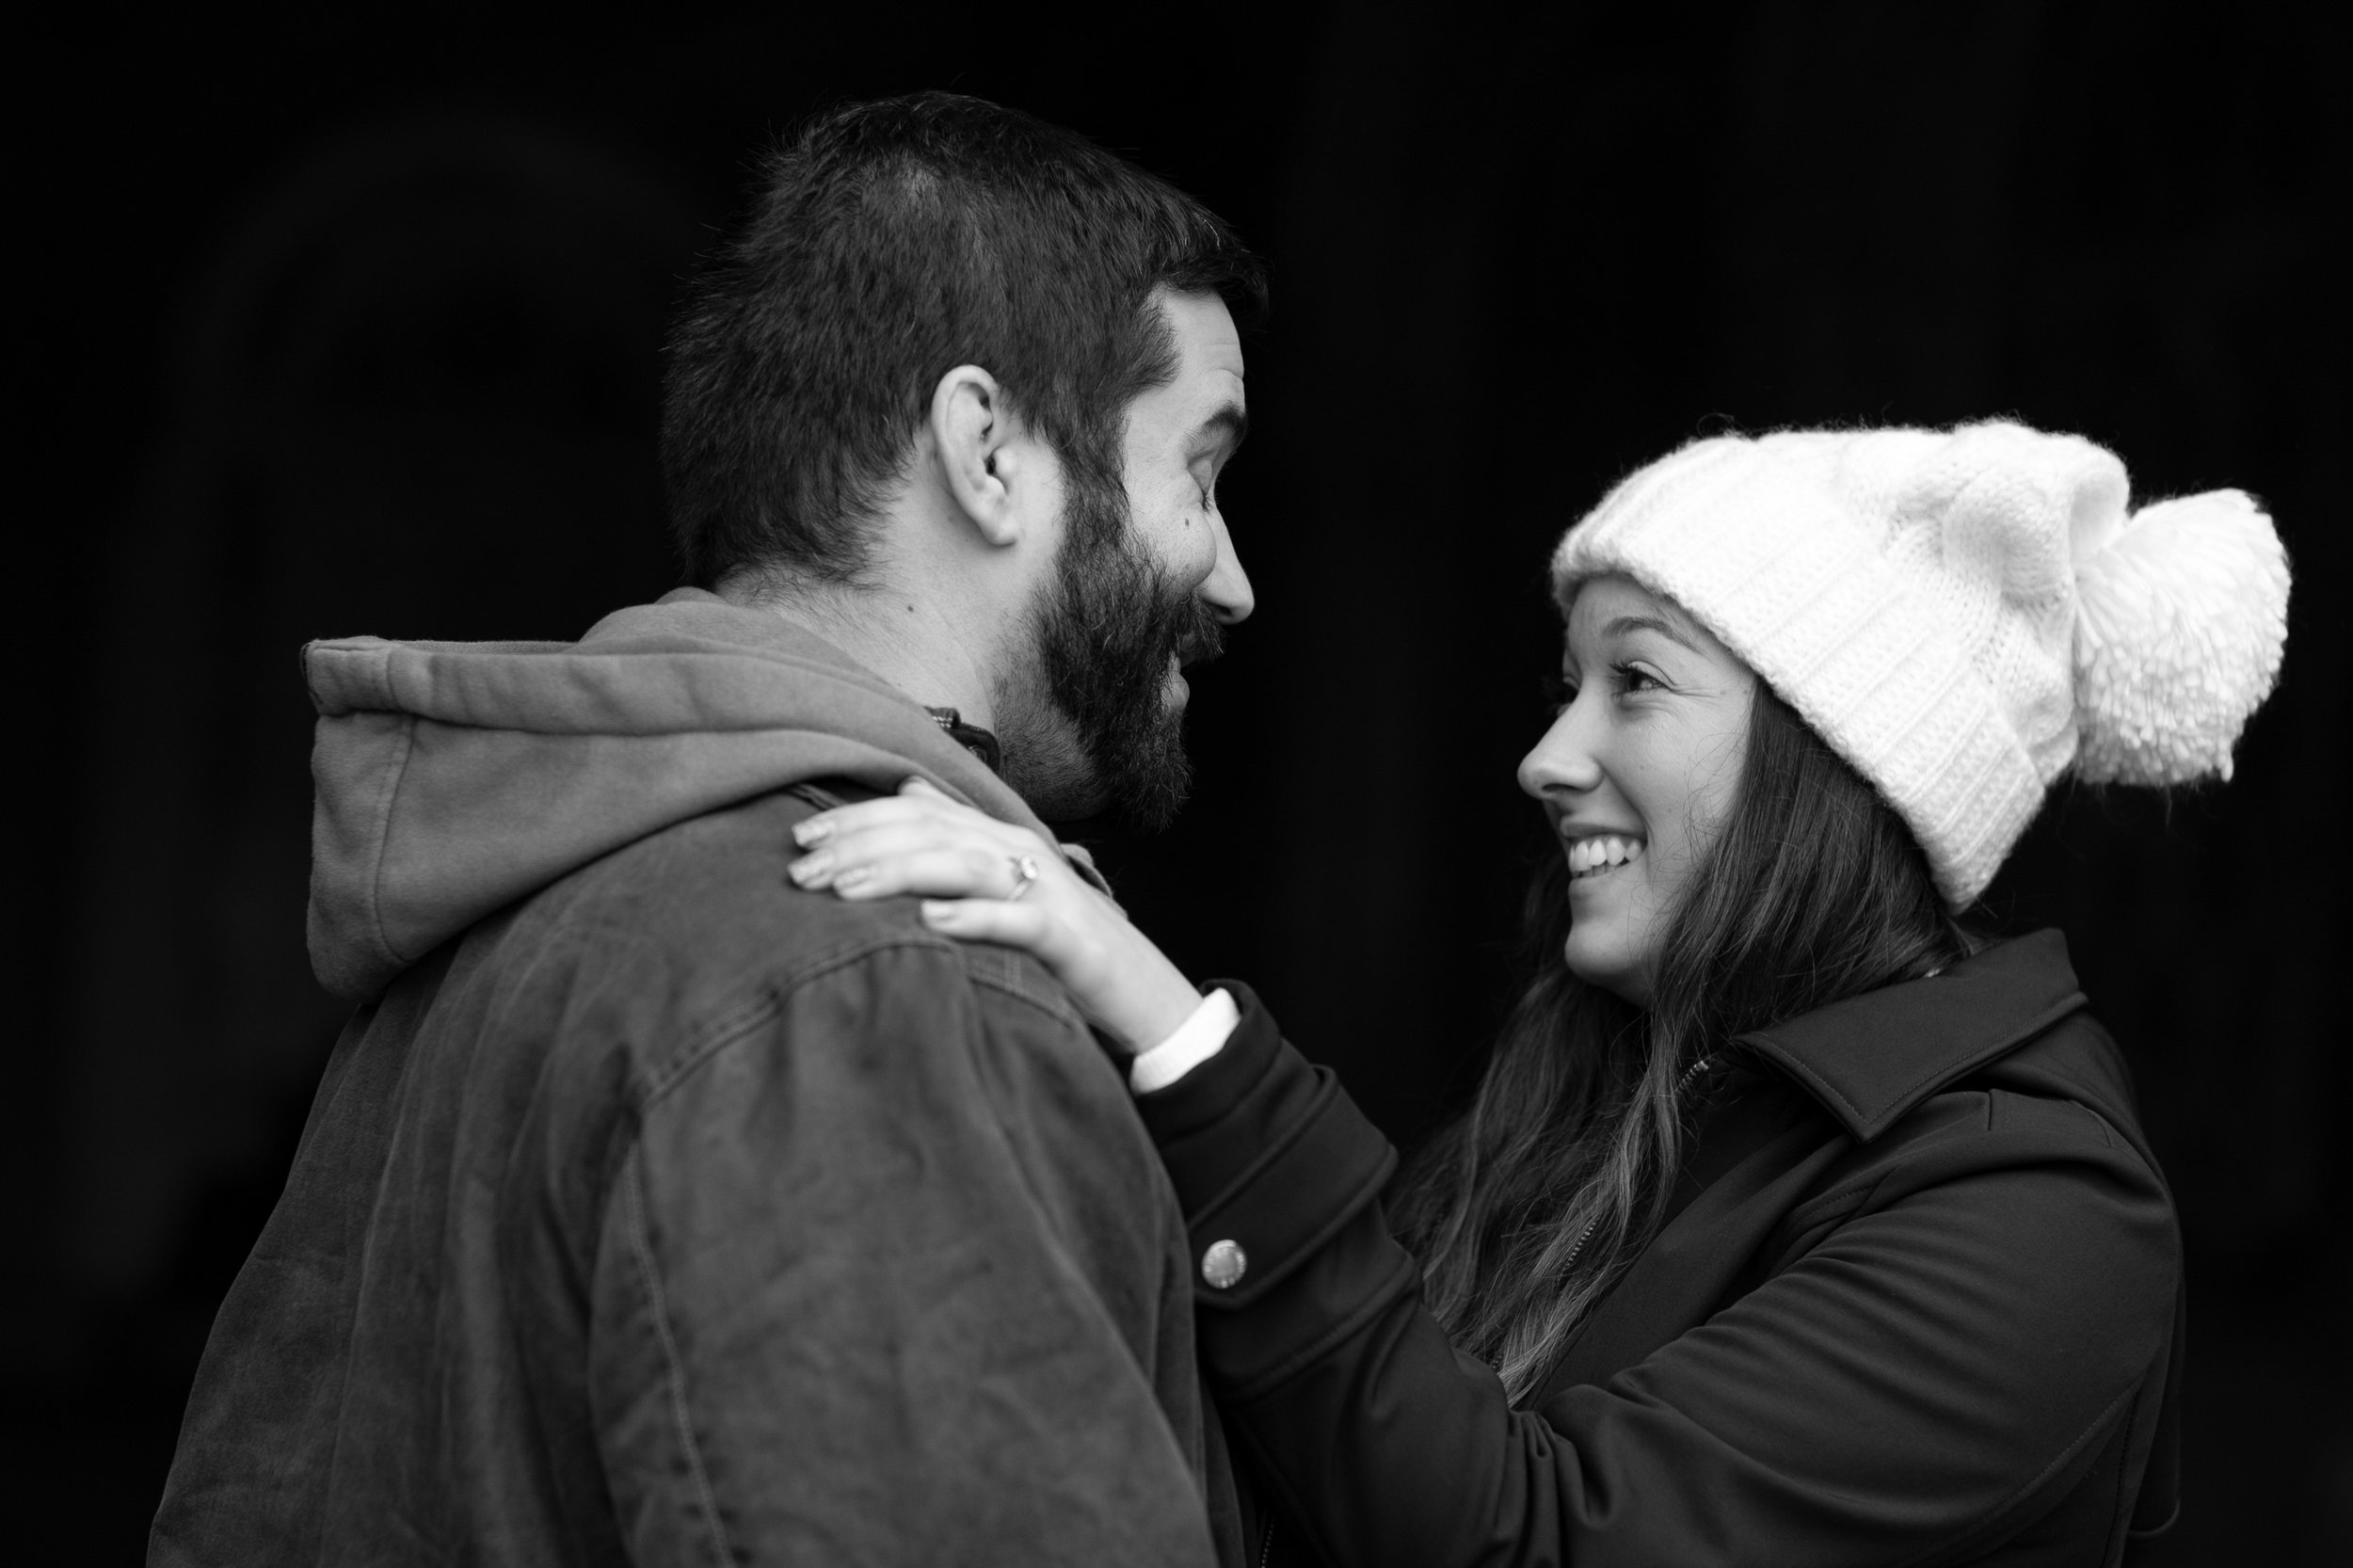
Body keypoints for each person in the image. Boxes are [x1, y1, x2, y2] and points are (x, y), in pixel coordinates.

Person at [789, 421, 2293, 1566]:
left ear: (1840, 759)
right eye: (1568, 680)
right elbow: (1324, 1441)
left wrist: (1177, 1028)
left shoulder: (2040, 1214)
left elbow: (1537, 1534)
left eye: (1635, 682)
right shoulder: (1623, 1080)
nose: (1550, 753)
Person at [151, 93, 1263, 1567]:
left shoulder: (499, 919)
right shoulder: (873, 986)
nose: (1237, 576)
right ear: (987, 452)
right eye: (1201, 471)